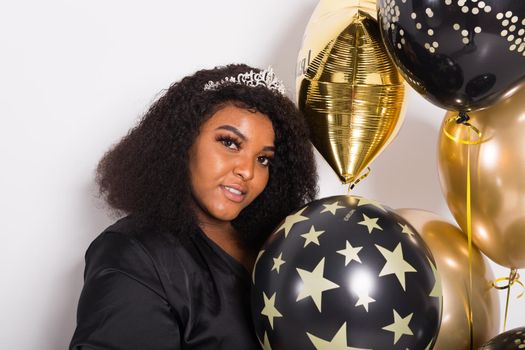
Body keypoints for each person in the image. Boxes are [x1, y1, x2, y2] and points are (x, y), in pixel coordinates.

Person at [69, 64, 318, 349]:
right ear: (184, 141)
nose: (248, 171)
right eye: (230, 143)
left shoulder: (277, 246)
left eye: (264, 159)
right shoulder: (134, 254)